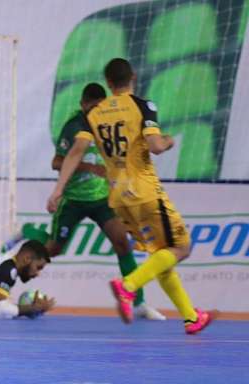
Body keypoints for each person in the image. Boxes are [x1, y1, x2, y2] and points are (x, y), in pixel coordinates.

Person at [47, 58, 215, 334]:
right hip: (145, 191)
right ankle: (129, 286)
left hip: (117, 197)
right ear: (132, 77)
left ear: (109, 82)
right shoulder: (142, 105)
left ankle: (190, 316)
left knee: (163, 255)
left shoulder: (94, 113)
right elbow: (156, 146)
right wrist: (170, 140)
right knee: (180, 248)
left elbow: (76, 151)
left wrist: (57, 190)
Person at [47, 82, 164, 321]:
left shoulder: (109, 122)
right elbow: (56, 163)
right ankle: (22, 242)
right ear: (82, 105)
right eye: (90, 108)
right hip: (74, 199)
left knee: (122, 243)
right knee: (53, 249)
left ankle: (138, 302)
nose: (94, 113)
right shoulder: (74, 126)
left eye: (98, 108)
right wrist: (88, 167)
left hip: (103, 199)